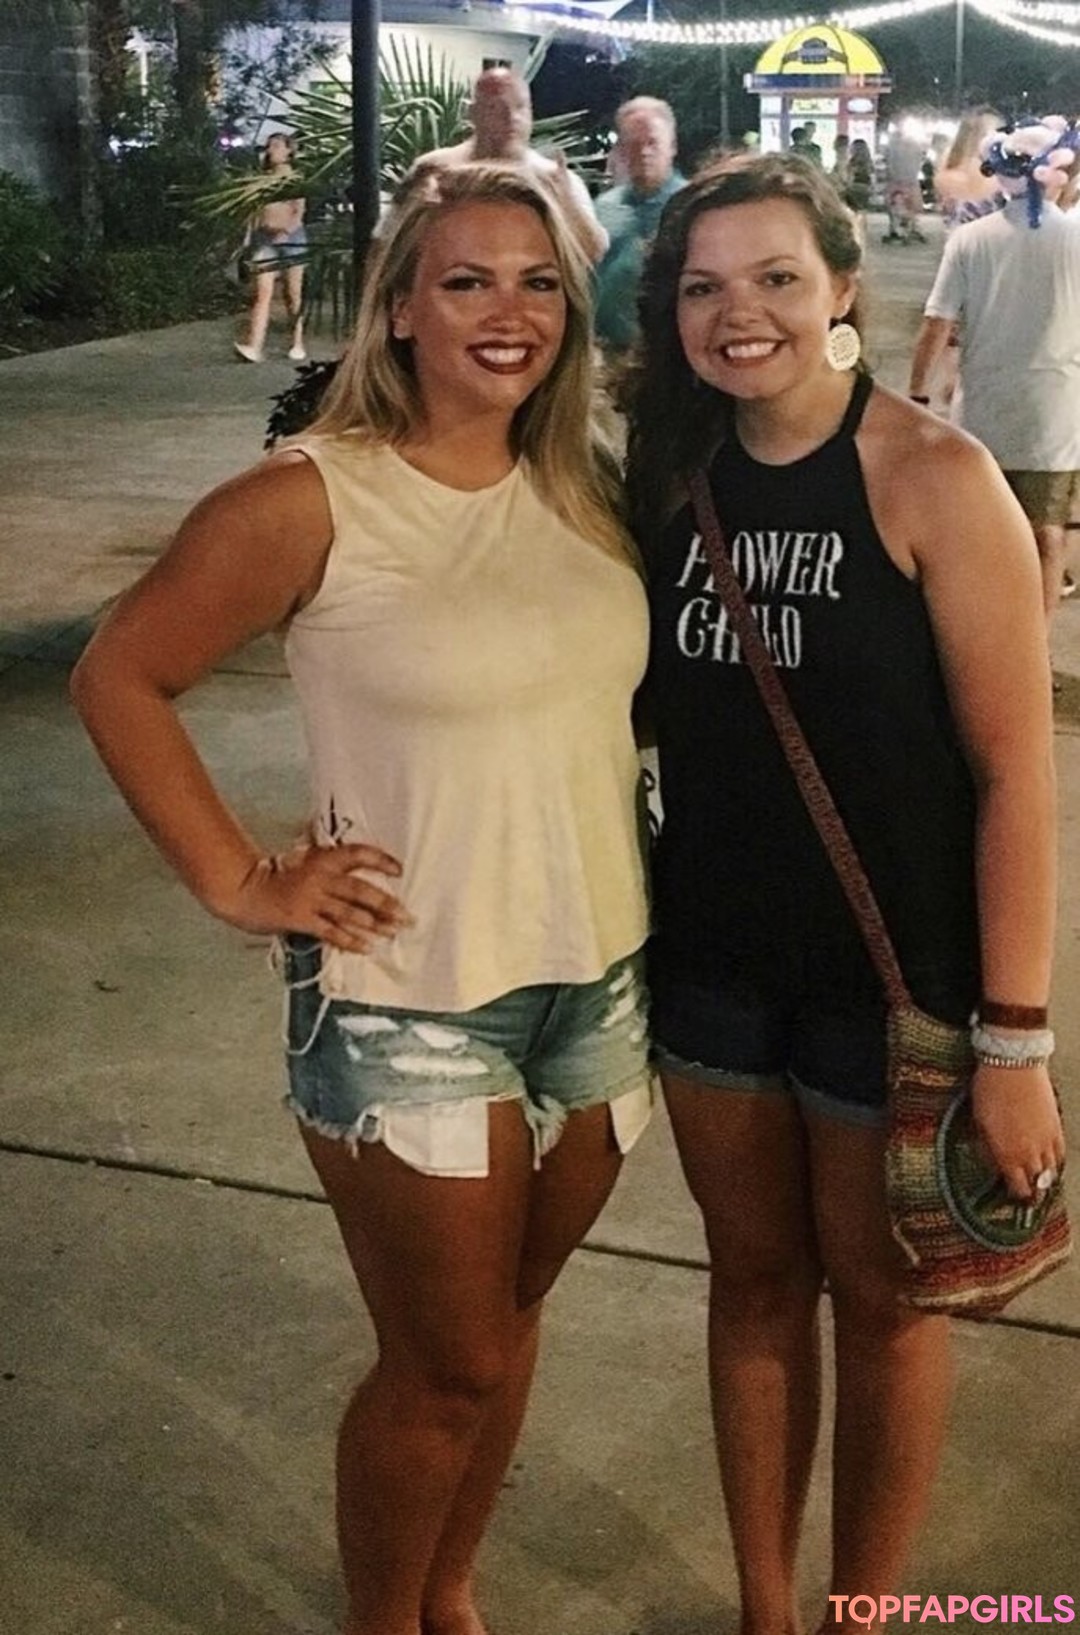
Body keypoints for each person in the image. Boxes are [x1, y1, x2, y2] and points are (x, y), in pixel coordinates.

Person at [71, 161, 652, 1635]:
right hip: (409, 1002)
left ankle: (446, 1591)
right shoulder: (312, 497)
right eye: (467, 281)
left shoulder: (589, 482)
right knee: (445, 1362)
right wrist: (240, 877)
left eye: (538, 282)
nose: (509, 312)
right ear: (399, 309)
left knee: (504, 1325)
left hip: (599, 986)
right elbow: (120, 673)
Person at [625, 152, 1062, 1635]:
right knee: (752, 1285)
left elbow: (1015, 776)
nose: (738, 312)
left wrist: (1015, 1039)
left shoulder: (934, 476)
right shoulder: (665, 476)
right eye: (704, 286)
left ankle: (862, 1614)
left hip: (897, 986)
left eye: (775, 278)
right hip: (711, 970)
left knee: (884, 1306)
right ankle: (766, 1608)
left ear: (842, 291)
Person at [909, 117, 1080, 618]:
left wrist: (918, 394)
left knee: (980, 528)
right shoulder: (1076, 239)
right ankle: (1033, 640)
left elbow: (936, 323)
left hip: (982, 409)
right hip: (1057, 412)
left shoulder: (969, 239)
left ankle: (978, 625)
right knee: (1047, 532)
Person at [411, 66, 607, 264]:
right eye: (495, 108)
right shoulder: (435, 169)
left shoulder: (557, 179)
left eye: (520, 107)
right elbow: (396, 245)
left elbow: (594, 253)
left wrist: (566, 203)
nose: (511, 117)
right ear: (473, 113)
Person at [593, 96, 684, 353]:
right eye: (633, 144)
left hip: (671, 354)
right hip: (609, 354)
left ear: (672, 146)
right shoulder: (604, 209)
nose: (644, 152)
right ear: (622, 150)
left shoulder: (691, 208)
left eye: (652, 142)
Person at [234, 130, 307, 364]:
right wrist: (247, 239)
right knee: (262, 293)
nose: (271, 150)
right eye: (269, 146)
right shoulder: (261, 180)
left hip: (292, 239)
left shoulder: (294, 178)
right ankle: (255, 346)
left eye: (276, 145)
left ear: (288, 150)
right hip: (265, 239)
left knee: (292, 294)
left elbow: (298, 211)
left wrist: (285, 232)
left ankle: (297, 342)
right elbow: (254, 212)